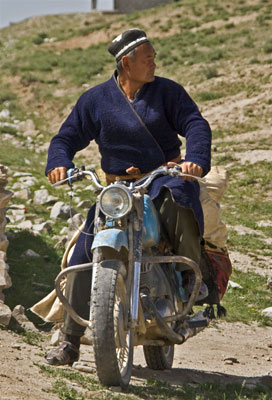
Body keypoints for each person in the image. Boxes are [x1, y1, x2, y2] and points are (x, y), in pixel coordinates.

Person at [45, 29, 212, 366]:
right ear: (126, 63)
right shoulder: (95, 100)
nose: (154, 63)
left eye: (153, 58)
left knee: (179, 204)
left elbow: (195, 123)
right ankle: (70, 340)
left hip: (162, 177)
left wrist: (194, 157)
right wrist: (59, 163)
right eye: (147, 58)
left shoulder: (167, 92)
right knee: (82, 253)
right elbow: (65, 137)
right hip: (118, 188)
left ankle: (189, 277)